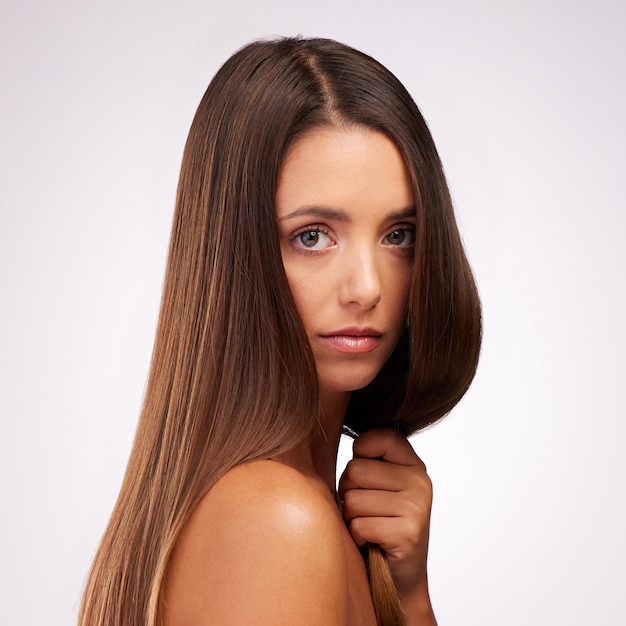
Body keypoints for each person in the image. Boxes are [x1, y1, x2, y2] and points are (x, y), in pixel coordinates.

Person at [79, 37, 481, 626]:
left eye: (399, 235)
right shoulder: (275, 520)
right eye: (313, 235)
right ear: (233, 255)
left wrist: (408, 596)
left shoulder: (294, 508)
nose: (367, 287)